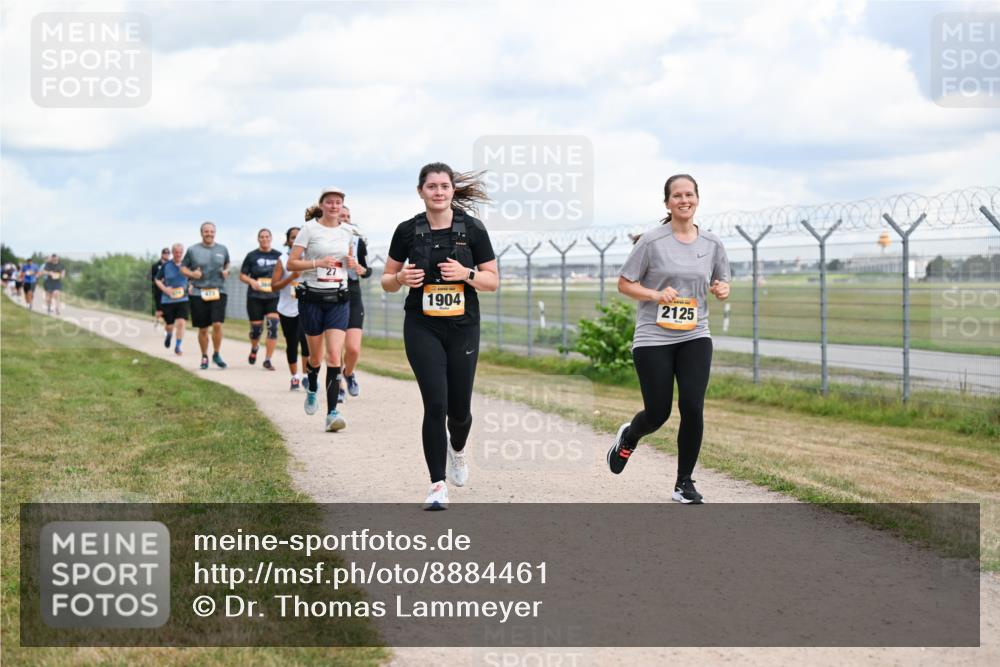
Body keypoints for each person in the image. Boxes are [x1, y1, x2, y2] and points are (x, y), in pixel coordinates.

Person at [607, 174, 731, 505]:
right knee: (658, 412)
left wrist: (722, 289)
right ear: (667, 203)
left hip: (695, 335)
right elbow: (624, 283)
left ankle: (684, 483)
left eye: (689, 194)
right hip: (653, 338)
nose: (684, 200)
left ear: (697, 199)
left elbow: (722, 283)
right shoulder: (650, 242)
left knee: (692, 405)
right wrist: (655, 294)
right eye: (677, 195)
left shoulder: (713, 244)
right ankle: (629, 436)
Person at [382, 162, 498, 510]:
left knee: (459, 411)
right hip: (422, 324)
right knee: (435, 404)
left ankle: (458, 450)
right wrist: (400, 279)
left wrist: (467, 273)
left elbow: (492, 281)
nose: (438, 192)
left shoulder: (473, 229)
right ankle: (437, 485)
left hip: (463, 325)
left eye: (444, 186)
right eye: (431, 186)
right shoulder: (406, 231)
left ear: (452, 191)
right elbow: (386, 280)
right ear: (421, 191)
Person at [285, 187, 355, 431]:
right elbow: (291, 263)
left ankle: (332, 413)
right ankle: (312, 386)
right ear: (322, 205)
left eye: (338, 202)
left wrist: (353, 264)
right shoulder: (309, 229)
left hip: (338, 298)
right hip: (312, 298)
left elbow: (350, 263)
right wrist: (317, 263)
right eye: (330, 202)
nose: (334, 206)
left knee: (334, 356)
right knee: (315, 357)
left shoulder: (348, 231)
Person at [180, 222, 231, 370]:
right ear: (201, 233)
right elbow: (183, 268)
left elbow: (227, 264)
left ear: (215, 233)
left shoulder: (222, 249)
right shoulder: (192, 250)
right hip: (198, 292)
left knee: (217, 324)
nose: (209, 234)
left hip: (218, 290)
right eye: (206, 231)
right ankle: (204, 356)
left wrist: (227, 271)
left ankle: (216, 353)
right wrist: (192, 274)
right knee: (203, 328)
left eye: (211, 231)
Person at [339, 205, 372, 401]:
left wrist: (359, 268)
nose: (346, 219)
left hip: (352, 294)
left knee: (353, 348)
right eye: (342, 216)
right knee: (335, 349)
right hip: (331, 294)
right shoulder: (324, 241)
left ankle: (348, 374)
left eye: (348, 216)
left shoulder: (358, 241)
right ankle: (338, 386)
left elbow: (367, 271)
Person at [272, 227, 310, 391]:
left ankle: (307, 376)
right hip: (287, 308)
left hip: (307, 307)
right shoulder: (282, 259)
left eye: (299, 237)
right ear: (288, 241)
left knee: (307, 341)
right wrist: (291, 279)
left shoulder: (310, 258)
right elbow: (274, 286)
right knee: (292, 342)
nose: (296, 240)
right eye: (293, 237)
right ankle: (294, 377)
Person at [240, 229, 282, 370]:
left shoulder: (278, 256)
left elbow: (285, 273)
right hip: (255, 297)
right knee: (256, 330)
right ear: (258, 239)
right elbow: (242, 275)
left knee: (273, 327)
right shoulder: (252, 256)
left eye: (267, 236)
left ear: (271, 238)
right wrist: (252, 282)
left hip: (274, 297)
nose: (264, 239)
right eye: (261, 237)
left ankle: (268, 360)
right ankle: (254, 347)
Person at [154, 243, 189, 355]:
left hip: (182, 299)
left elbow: (193, 279)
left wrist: (190, 287)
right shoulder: (166, 266)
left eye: (180, 252)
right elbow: (157, 280)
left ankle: (178, 346)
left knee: (181, 323)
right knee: (170, 325)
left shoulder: (186, 265)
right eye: (176, 252)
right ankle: (169, 335)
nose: (178, 254)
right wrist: (165, 289)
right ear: (172, 253)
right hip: (168, 300)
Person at [151, 248, 170, 328]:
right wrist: (158, 280)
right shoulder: (156, 265)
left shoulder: (170, 265)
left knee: (167, 308)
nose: (166, 255)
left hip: (168, 290)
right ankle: (157, 320)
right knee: (159, 309)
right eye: (165, 254)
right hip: (158, 290)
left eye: (168, 254)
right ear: (162, 254)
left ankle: (167, 325)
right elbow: (151, 277)